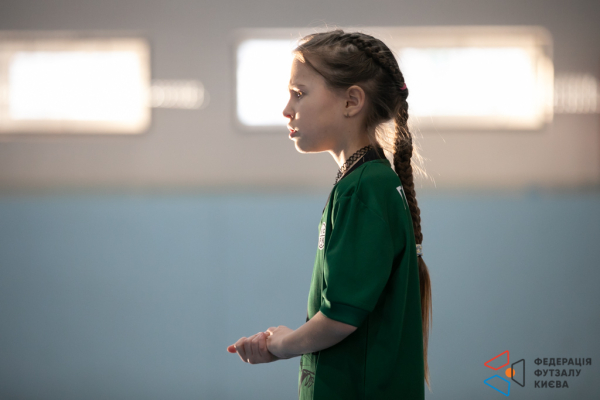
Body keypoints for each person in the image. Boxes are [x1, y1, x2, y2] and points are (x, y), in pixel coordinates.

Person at [227, 29, 432, 399]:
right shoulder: (360, 183)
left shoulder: (365, 189)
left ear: (351, 101)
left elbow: (340, 317)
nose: (287, 109)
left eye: (299, 93)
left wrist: (281, 344)